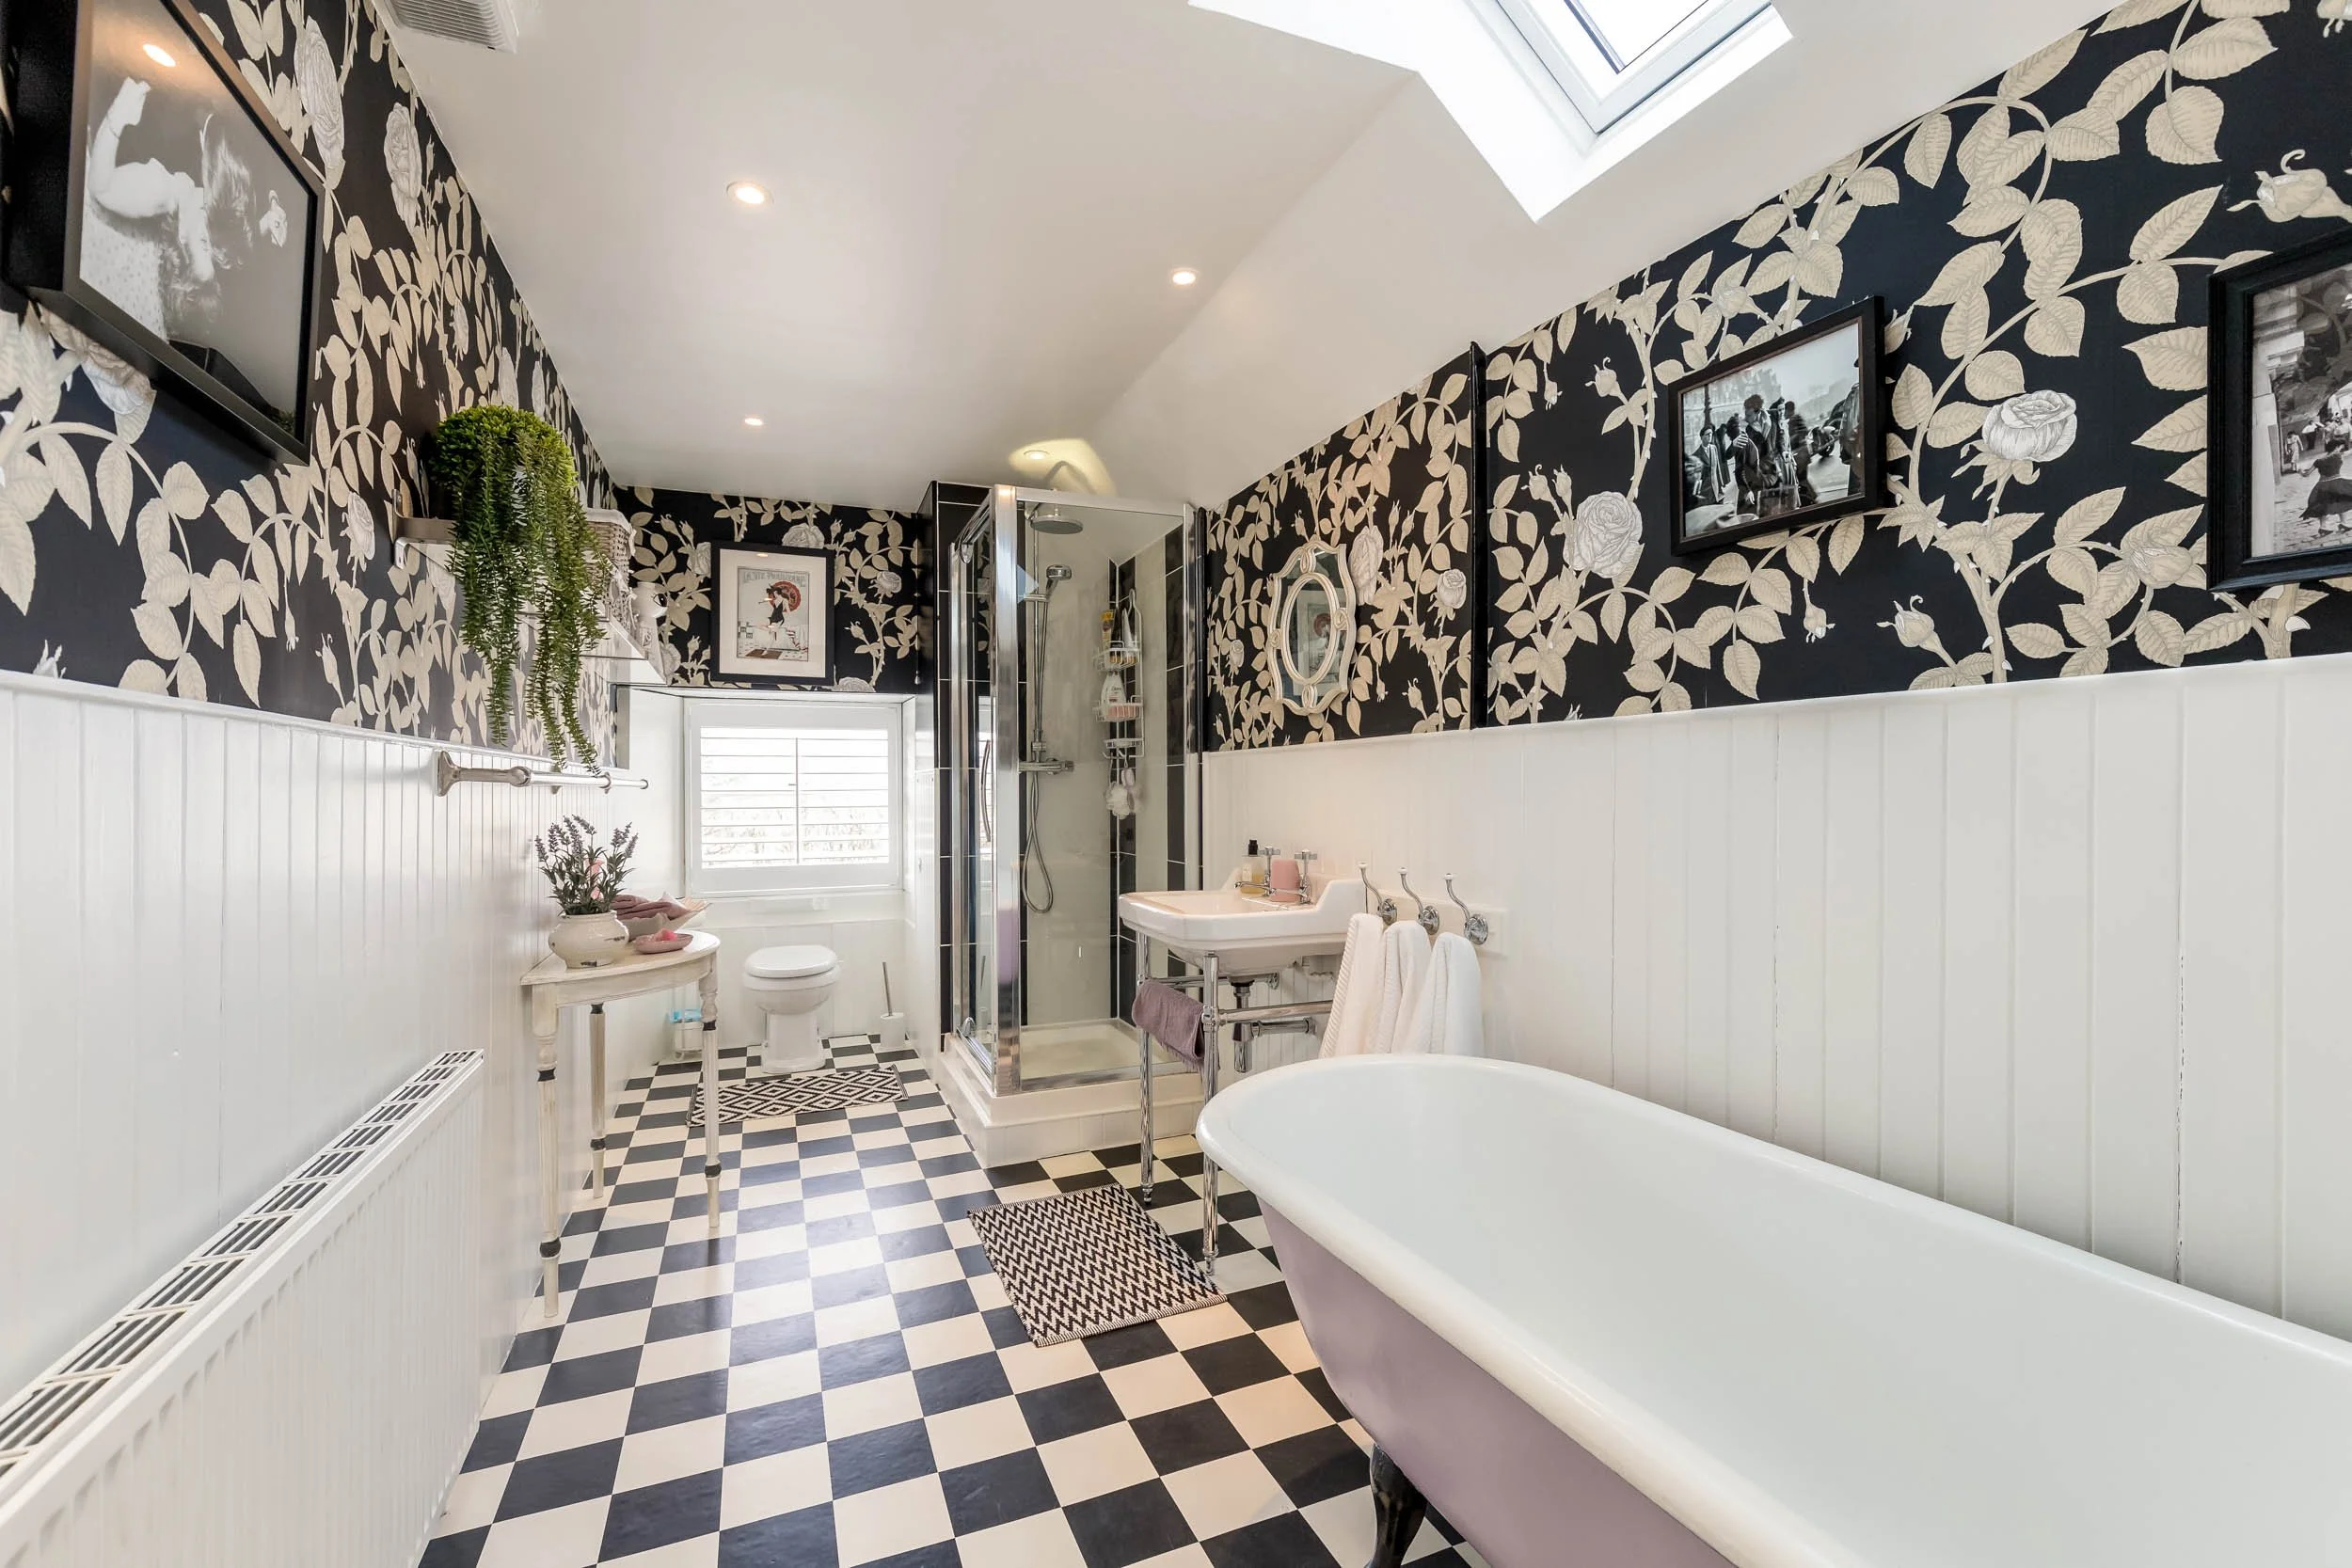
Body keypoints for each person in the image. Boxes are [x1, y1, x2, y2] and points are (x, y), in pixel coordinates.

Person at [83, 76, 256, 345]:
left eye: (202, 242)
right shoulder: (194, 188)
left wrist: (119, 116)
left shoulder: (160, 193)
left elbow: (100, 187)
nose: (208, 230)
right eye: (214, 242)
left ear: (183, 239)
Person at [2301, 451, 2352, 526]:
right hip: (2336, 483)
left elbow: (2306, 474)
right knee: (2342, 501)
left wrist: (2299, 471)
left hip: (2323, 486)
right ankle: (2343, 523)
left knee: (2322, 505)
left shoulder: (2318, 461)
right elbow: (2349, 452)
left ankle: (2323, 527)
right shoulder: (2338, 456)